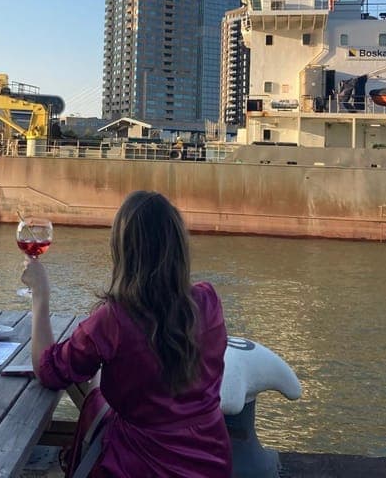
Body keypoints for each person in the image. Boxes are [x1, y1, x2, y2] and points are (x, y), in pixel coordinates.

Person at [21, 191, 231, 477]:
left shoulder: (113, 319)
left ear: (122, 249)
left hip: (141, 464)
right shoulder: (208, 301)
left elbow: (48, 370)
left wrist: (40, 297)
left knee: (97, 393)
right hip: (211, 462)